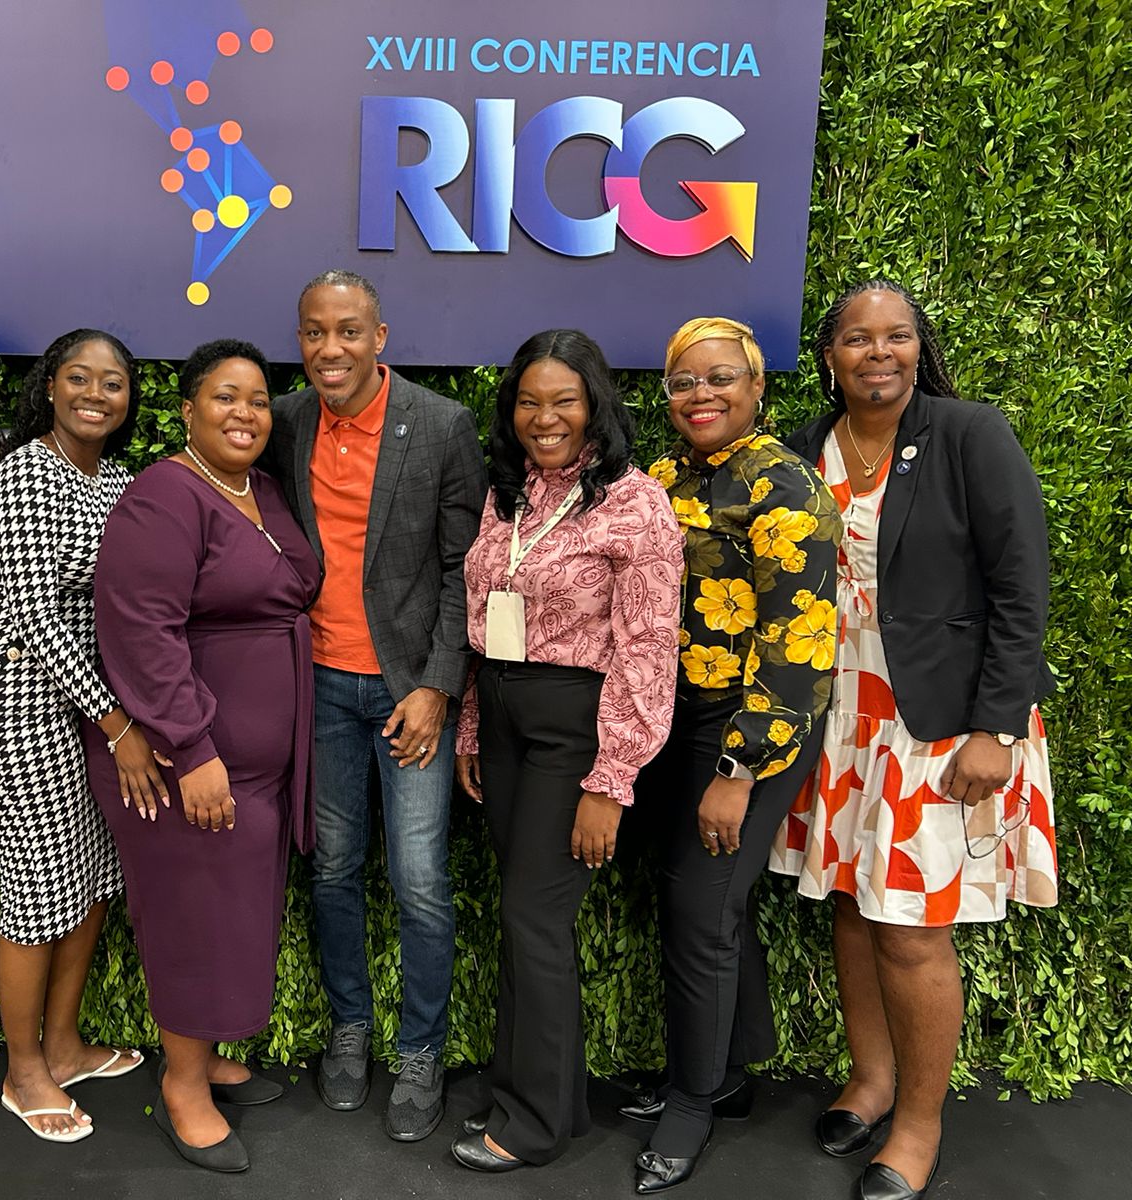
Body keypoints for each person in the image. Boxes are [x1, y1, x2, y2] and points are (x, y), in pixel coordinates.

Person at [770, 282, 1057, 1200]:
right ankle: (872, 1078)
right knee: (854, 905)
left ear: (919, 348)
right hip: (841, 714)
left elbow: (1022, 587)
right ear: (830, 354)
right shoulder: (808, 447)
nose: (878, 353)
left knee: (911, 931)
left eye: (897, 336)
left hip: (941, 725)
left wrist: (997, 727)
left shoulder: (970, 435)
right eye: (858, 338)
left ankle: (921, 1126)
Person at [447, 330, 683, 1174]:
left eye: (563, 401)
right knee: (521, 913)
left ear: (596, 407)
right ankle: (526, 1085)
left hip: (574, 725)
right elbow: (486, 618)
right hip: (505, 714)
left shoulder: (633, 502)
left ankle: (539, 1123)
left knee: (535, 917)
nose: (543, 418)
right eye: (527, 402)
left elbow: (649, 647)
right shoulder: (506, 495)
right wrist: (473, 725)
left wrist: (611, 781)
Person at [85, 339, 320, 1174]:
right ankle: (182, 1088)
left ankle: (208, 1055)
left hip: (263, 765)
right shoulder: (163, 494)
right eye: (225, 397)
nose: (246, 413)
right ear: (188, 410)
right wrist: (191, 746)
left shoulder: (259, 490)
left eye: (258, 399)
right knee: (189, 915)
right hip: (194, 761)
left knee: (233, 912)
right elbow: (141, 630)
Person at [263, 270, 488, 1141]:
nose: (330, 349)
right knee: (333, 868)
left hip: (407, 694)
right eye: (315, 332)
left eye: (348, 331)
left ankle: (421, 1048)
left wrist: (436, 687)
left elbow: (460, 568)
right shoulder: (281, 421)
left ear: (380, 337)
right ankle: (349, 1028)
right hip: (315, 684)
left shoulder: (440, 425)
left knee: (422, 881)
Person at [624, 317, 841, 1192]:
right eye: (683, 381)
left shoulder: (787, 485)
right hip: (672, 722)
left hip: (751, 727)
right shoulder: (659, 479)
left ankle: (691, 1103)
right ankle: (733, 1073)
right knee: (704, 902)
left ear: (756, 389)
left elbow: (798, 647)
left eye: (720, 378)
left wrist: (737, 771)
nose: (700, 394)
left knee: (702, 909)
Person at [0, 329, 164, 1144]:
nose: (96, 393)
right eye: (79, 377)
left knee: (94, 875)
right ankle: (23, 1069)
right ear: (52, 385)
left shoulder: (121, 480)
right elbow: (33, 615)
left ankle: (64, 1046)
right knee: (39, 888)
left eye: (114, 381)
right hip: (10, 702)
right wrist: (121, 726)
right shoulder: (27, 470)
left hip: (84, 707)